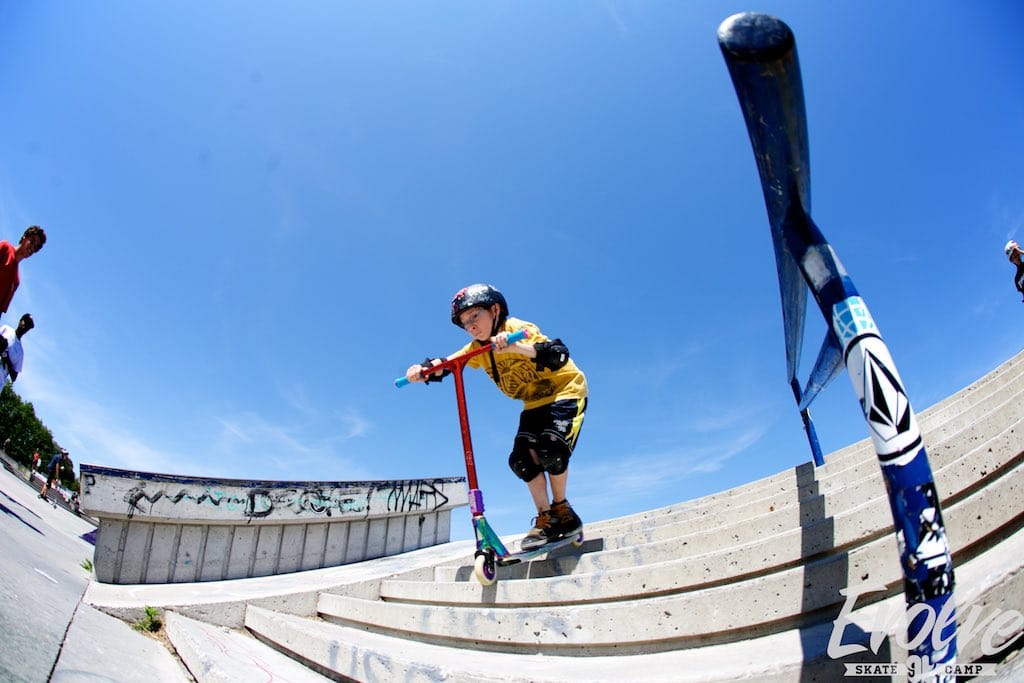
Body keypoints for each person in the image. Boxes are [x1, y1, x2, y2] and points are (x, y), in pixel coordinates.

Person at [404, 284, 589, 550]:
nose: (471, 326)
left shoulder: (516, 328)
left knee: (551, 449)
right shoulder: (476, 348)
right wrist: (422, 370)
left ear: (495, 310)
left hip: (565, 392)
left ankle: (563, 511)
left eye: (475, 316)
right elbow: (447, 364)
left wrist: (516, 347)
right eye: (464, 323)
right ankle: (545, 519)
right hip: (533, 404)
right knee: (521, 460)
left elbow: (557, 354)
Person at [0, 225, 46, 320]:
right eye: (32, 241)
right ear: (24, 237)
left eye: (36, 247)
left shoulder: (16, 280)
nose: (32, 247)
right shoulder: (5, 247)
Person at [0, 313, 34, 385]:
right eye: (25, 322)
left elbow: (14, 377)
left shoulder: (20, 352)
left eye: (28, 326)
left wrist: (7, 358)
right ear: (20, 321)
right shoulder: (6, 329)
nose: (25, 326)